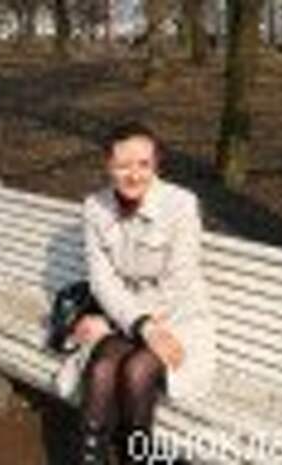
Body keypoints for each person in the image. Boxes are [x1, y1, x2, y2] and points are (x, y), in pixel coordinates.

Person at [72, 122, 216, 465]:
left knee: (137, 370)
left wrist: (130, 324)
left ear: (156, 165)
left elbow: (178, 282)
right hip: (126, 317)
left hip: (176, 318)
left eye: (143, 164)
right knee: (102, 367)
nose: (134, 175)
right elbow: (102, 281)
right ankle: (90, 456)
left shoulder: (181, 205)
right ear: (108, 165)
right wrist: (134, 323)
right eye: (123, 165)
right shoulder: (95, 207)